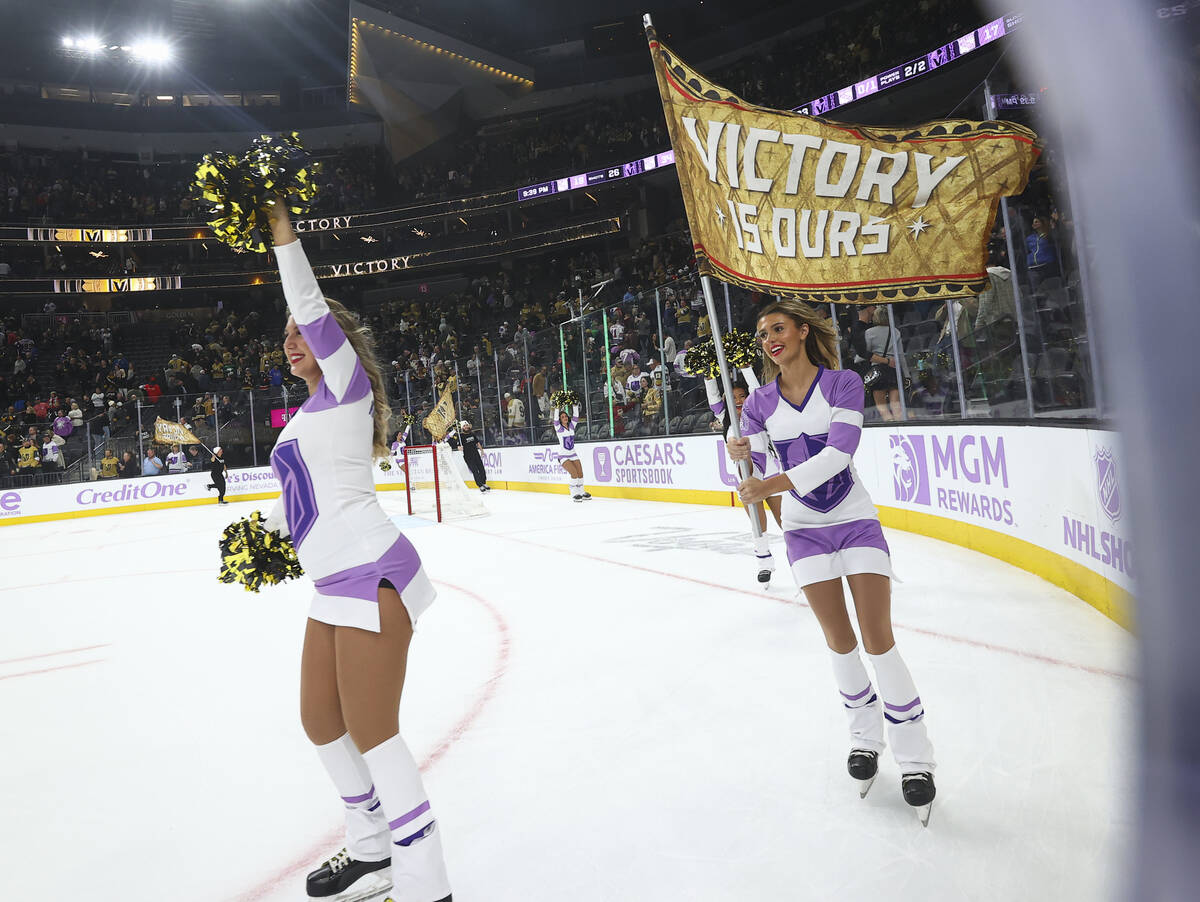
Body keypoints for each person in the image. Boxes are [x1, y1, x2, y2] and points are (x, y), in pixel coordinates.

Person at [264, 202, 452, 902]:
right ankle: (372, 851)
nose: (291, 340)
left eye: (302, 333)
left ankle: (426, 883)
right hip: (330, 580)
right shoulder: (305, 415)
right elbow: (304, 503)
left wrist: (283, 232)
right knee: (320, 721)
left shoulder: (346, 385)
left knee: (375, 734)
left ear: (334, 342)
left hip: (372, 572)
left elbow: (309, 303)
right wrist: (272, 541)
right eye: (284, 336)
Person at [728, 298, 936, 822]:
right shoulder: (757, 404)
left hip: (855, 520)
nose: (770, 338)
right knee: (840, 643)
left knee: (878, 639)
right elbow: (747, 472)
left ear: (802, 331)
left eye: (778, 327)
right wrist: (737, 453)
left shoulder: (843, 383)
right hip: (803, 532)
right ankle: (864, 739)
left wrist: (769, 481)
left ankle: (916, 759)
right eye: (762, 333)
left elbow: (839, 454)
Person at [706, 370, 782, 584]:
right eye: (732, 397)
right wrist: (708, 373)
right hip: (747, 472)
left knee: (785, 520)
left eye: (742, 396)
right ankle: (764, 563)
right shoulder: (725, 417)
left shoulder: (757, 411)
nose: (738, 401)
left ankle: (802, 559)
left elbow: (757, 391)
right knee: (758, 522)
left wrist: (747, 367)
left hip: (769, 471)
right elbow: (713, 397)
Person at [863, 306, 902, 422]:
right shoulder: (895, 331)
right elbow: (900, 354)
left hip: (878, 371)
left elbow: (865, 353)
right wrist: (906, 374)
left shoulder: (869, 332)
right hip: (893, 368)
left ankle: (890, 430)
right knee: (896, 406)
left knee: (883, 408)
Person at [555, 404, 590, 502]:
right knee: (574, 473)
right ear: (560, 420)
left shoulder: (571, 426)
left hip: (573, 454)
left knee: (580, 473)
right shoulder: (558, 428)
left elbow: (576, 416)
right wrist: (557, 408)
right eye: (562, 417)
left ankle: (581, 492)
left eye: (566, 416)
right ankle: (574, 493)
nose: (565, 418)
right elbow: (555, 419)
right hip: (563, 456)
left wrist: (575, 405)